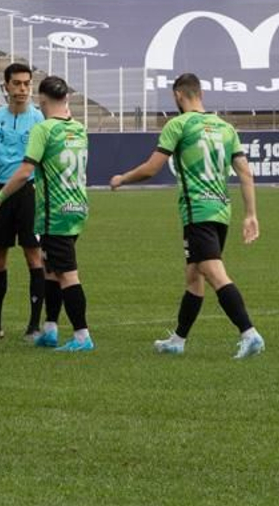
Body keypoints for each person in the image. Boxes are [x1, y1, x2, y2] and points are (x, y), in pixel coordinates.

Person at [109, 73, 265, 360]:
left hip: (197, 211)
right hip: (221, 211)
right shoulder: (225, 127)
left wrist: (122, 178)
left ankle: (249, 332)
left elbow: (151, 168)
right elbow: (246, 172)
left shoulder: (179, 124)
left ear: (178, 96)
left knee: (214, 274)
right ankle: (178, 340)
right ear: (201, 94)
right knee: (194, 275)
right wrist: (250, 214)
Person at [0, 77, 91, 351]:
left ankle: (82, 336)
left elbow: (24, 172)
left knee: (67, 274)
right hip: (77, 208)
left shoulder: (43, 129)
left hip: (54, 213)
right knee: (50, 270)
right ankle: (50, 329)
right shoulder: (79, 129)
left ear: (42, 100)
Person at [0, 62, 47, 340]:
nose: (22, 89)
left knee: (33, 254)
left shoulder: (39, 120)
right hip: (0, 191)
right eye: (17, 83)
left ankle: (34, 325)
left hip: (30, 192)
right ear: (6, 86)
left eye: (26, 84)